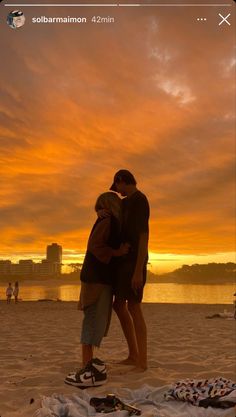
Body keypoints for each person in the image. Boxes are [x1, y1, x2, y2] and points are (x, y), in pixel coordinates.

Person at [65, 192, 129, 388]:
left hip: (100, 279)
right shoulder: (107, 220)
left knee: (96, 321)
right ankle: (86, 367)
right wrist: (116, 252)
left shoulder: (109, 220)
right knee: (93, 319)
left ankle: (87, 365)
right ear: (111, 205)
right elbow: (94, 245)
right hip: (96, 279)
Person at [110, 170, 150, 371]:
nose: (117, 191)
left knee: (134, 306)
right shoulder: (123, 203)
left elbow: (144, 236)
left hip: (135, 260)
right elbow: (108, 210)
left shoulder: (140, 200)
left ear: (121, 181)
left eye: (116, 186)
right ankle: (133, 355)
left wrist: (138, 271)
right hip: (123, 261)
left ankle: (141, 361)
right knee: (118, 305)